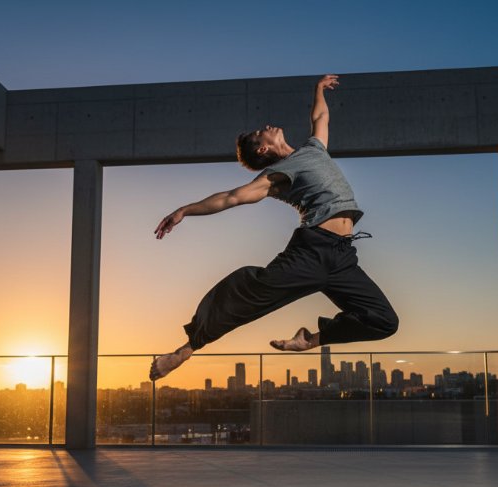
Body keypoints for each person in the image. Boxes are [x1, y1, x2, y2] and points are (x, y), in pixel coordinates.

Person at [150, 74, 398, 381]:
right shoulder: (275, 175)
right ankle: (184, 351)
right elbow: (232, 197)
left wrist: (318, 89)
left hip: (343, 256)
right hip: (311, 252)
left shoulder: (314, 148)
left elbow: (320, 117)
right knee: (248, 293)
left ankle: (309, 340)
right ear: (263, 150)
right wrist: (185, 210)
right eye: (260, 133)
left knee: (384, 321)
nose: (266, 126)